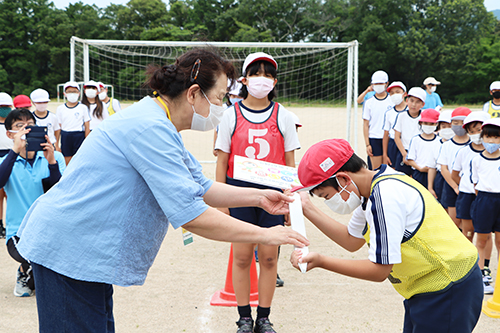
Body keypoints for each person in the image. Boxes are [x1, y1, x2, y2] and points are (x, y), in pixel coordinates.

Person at [15, 49, 308, 333]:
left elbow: (201, 186)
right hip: (69, 250)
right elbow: (191, 214)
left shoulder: (159, 122)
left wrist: (259, 197)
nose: (222, 108)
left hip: (82, 253)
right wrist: (266, 235)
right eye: (219, 99)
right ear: (193, 94)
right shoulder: (150, 128)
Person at [290, 138, 482, 333]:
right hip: (427, 288)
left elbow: (379, 270)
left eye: (326, 196)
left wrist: (321, 261)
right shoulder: (373, 188)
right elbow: (351, 240)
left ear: (343, 179)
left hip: (447, 286)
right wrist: (306, 208)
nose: (329, 202)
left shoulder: (384, 197)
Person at [215, 52, 301, 333]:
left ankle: (263, 318)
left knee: (268, 258)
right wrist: (221, 201)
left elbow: (290, 163)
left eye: (267, 74)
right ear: (244, 79)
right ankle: (243, 318)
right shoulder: (231, 114)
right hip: (238, 194)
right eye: (255, 73)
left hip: (274, 198)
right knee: (241, 258)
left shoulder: (283, 115)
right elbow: (222, 161)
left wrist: (292, 204)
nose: (261, 79)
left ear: (274, 81)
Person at [1, 108, 65, 297]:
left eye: (30, 125)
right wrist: (15, 151)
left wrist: (52, 162)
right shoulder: (6, 162)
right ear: (9, 134)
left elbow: (59, 192)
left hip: (49, 228)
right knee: (35, 258)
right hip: (18, 231)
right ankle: (24, 271)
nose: (26, 130)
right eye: (19, 126)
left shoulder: (55, 157)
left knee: (50, 264)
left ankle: (32, 275)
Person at [451, 111, 490, 244]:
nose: (476, 134)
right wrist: (465, 186)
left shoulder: (494, 152)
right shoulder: (463, 152)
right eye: (472, 131)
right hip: (467, 196)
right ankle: (468, 262)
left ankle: (485, 264)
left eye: (479, 130)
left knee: (485, 234)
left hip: (486, 196)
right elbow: (454, 174)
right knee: (467, 232)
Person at [437, 107, 471, 228]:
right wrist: (455, 186)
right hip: (451, 186)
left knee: (468, 224)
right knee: (454, 222)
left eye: (462, 123)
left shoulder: (474, 144)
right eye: (455, 123)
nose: (459, 126)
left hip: (469, 187)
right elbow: (444, 168)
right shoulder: (446, 145)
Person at [362, 70, 394, 170]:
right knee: (375, 170)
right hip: (374, 138)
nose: (378, 86)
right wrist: (367, 144)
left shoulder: (392, 101)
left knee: (390, 169)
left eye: (381, 83)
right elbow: (366, 124)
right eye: (376, 84)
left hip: (390, 138)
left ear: (386, 84)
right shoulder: (369, 102)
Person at [393, 87, 426, 176]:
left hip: (419, 153)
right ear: (407, 100)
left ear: (423, 104)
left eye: (418, 102)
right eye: (411, 100)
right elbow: (397, 137)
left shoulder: (424, 117)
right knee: (402, 180)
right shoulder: (401, 116)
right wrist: (404, 154)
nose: (414, 104)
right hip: (404, 151)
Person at [406, 108, 441, 188]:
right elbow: (410, 159)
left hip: (435, 173)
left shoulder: (439, 141)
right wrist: (420, 168)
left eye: (431, 124)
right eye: (426, 123)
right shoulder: (416, 140)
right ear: (421, 123)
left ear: (436, 125)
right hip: (419, 173)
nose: (428, 126)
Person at [57, 81, 90, 165]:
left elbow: (87, 125)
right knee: (66, 158)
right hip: (66, 135)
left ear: (79, 93)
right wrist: (56, 143)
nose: (72, 94)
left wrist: (87, 140)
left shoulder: (83, 107)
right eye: (69, 92)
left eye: (74, 92)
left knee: (79, 158)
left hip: (79, 135)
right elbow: (58, 127)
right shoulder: (60, 108)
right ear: (65, 94)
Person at [428, 110, 452, 205]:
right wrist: (430, 187)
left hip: (455, 177)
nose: (447, 129)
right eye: (443, 126)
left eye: (449, 126)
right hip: (440, 178)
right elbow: (431, 167)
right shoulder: (435, 144)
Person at [382, 81, 407, 167]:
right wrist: (385, 154)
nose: (395, 95)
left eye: (397, 92)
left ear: (404, 93)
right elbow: (386, 134)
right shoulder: (389, 113)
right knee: (393, 169)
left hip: (406, 143)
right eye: (392, 93)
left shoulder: (410, 111)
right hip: (393, 144)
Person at [0, 92, 14, 239]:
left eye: (6, 107)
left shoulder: (13, 124)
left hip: (12, 158)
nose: (3, 109)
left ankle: (12, 222)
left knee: (12, 194)